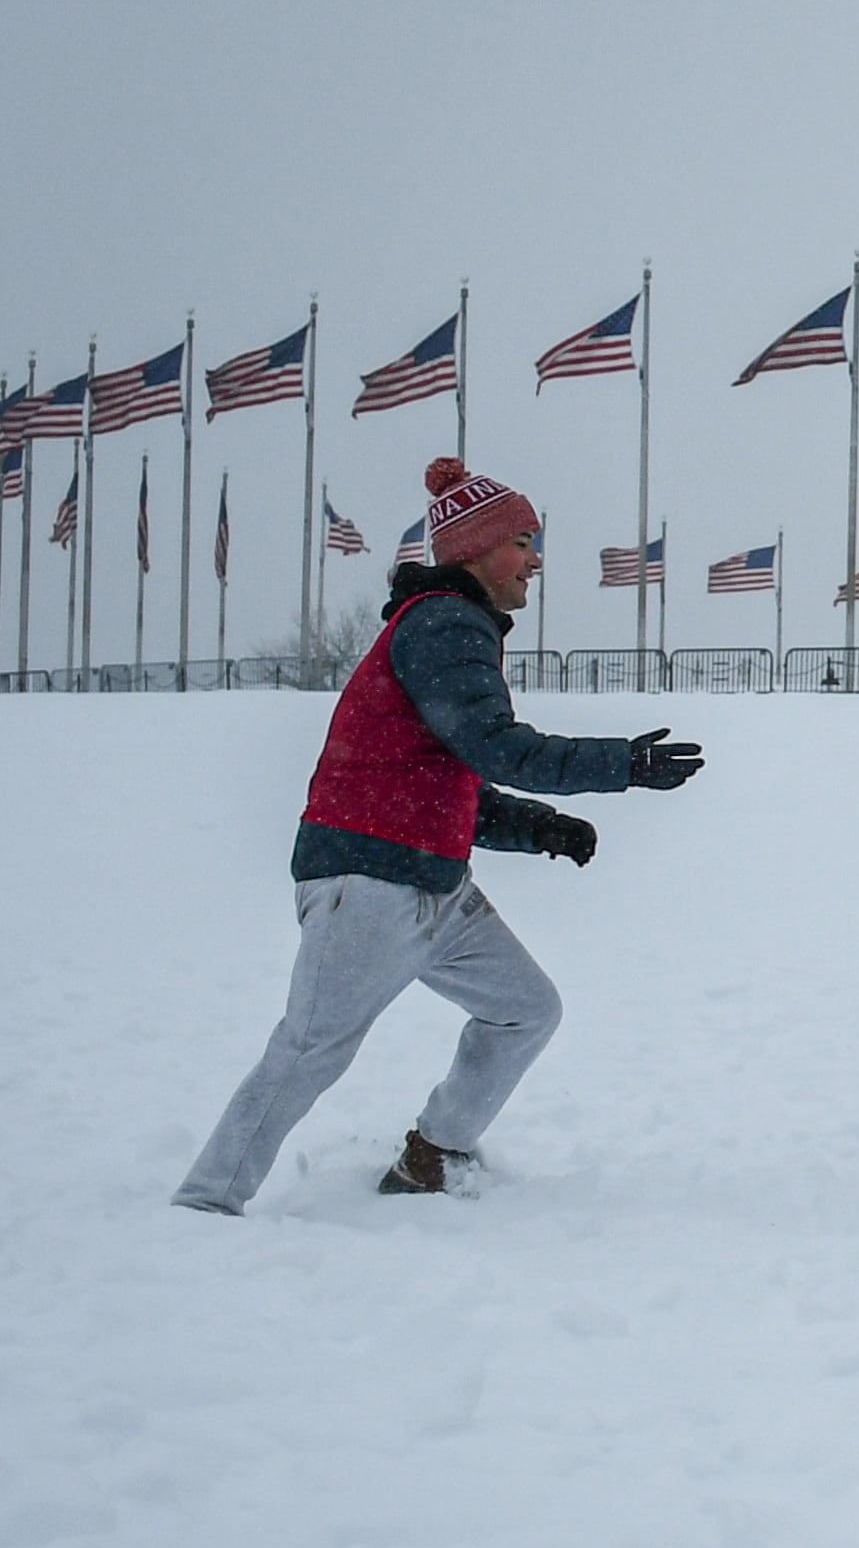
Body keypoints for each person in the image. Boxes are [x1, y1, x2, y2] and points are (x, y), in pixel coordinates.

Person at [175, 458, 706, 1212]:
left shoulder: (449, 627)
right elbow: (497, 746)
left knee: (524, 1008)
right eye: (521, 542)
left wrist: (541, 827)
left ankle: (432, 1156)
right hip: (367, 884)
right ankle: (205, 1202)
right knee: (310, 1049)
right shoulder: (444, 622)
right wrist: (622, 764)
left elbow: (444, 778)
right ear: (475, 549)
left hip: (432, 885)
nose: (535, 559)